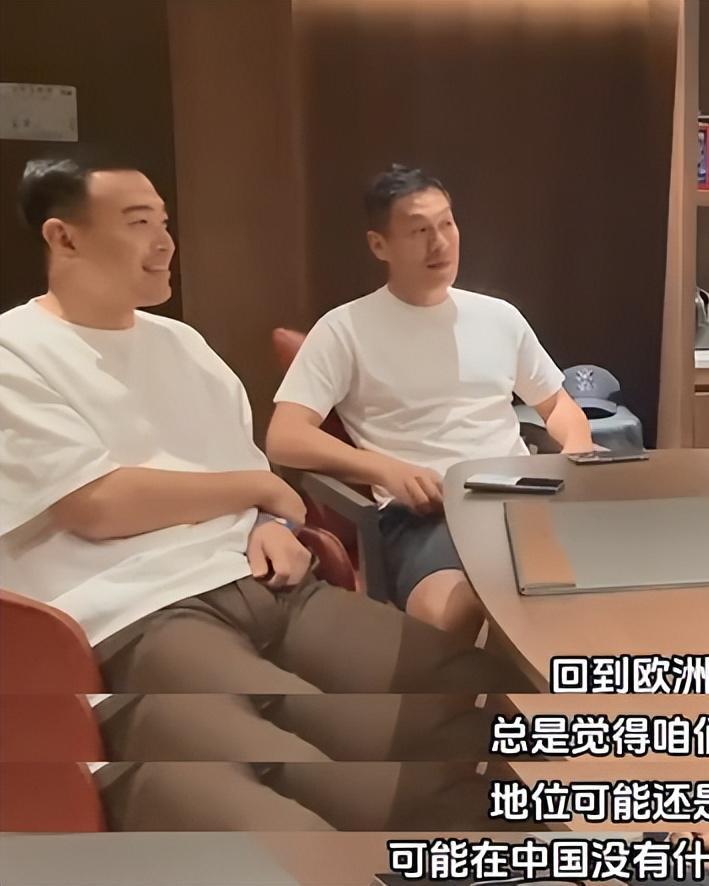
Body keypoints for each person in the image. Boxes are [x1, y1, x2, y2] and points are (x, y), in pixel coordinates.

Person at [0, 155, 528, 831]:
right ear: (64, 238)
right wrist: (258, 489)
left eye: (164, 222)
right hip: (147, 612)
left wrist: (267, 523)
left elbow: (253, 483)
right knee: (321, 782)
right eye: (138, 224)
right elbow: (99, 503)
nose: (165, 243)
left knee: (474, 695)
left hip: (271, 584)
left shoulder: (182, 343)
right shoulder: (17, 351)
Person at [266, 164, 593, 638]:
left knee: (605, 590)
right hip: (425, 515)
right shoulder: (344, 329)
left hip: (522, 499)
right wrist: (384, 469)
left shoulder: (498, 317)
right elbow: (285, 437)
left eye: (447, 224)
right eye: (420, 231)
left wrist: (577, 452)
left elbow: (558, 407)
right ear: (379, 245)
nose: (440, 243)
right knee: (452, 616)